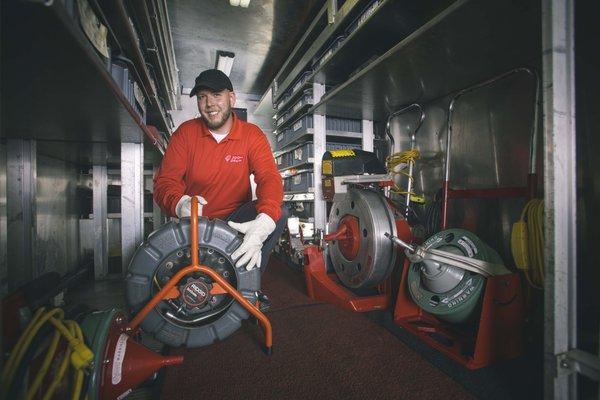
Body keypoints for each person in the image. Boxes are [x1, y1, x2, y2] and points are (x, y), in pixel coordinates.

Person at [153, 69, 287, 272]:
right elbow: (165, 182)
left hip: (236, 222)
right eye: (202, 97)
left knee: (278, 213)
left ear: (231, 98)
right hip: (197, 221)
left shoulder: (252, 135)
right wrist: (179, 204)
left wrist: (266, 219)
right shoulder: (185, 134)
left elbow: (268, 176)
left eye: (216, 95)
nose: (209, 104)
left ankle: (250, 283)